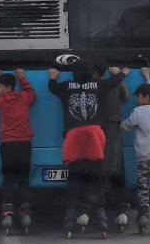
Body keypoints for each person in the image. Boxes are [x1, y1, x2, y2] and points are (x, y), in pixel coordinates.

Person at [48, 59, 130, 236]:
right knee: (96, 176)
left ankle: (70, 219)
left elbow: (52, 88)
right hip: (94, 135)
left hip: (73, 136)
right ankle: (101, 220)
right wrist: (122, 73)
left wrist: (52, 78)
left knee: (75, 176)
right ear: (91, 73)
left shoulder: (66, 86)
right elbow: (114, 81)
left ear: (73, 74)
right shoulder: (98, 85)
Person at [120, 67, 150, 232]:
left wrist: (116, 125)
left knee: (143, 186)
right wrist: (147, 77)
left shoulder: (137, 112)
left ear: (145, 97)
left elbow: (126, 126)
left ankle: (143, 214)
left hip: (143, 158)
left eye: (138, 96)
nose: (136, 99)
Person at [0, 68, 36, 230]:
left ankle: (8, 210)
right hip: (24, 145)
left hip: (8, 145)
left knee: (8, 178)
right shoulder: (23, 97)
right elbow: (32, 93)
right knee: (23, 179)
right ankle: (25, 210)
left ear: (8, 89)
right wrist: (22, 78)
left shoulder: (0, 102)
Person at [92, 60, 131, 228]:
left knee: (97, 170)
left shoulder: (89, 88)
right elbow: (127, 96)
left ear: (93, 74)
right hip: (113, 132)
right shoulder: (113, 84)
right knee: (117, 170)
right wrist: (118, 76)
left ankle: (97, 209)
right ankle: (122, 209)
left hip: (96, 132)